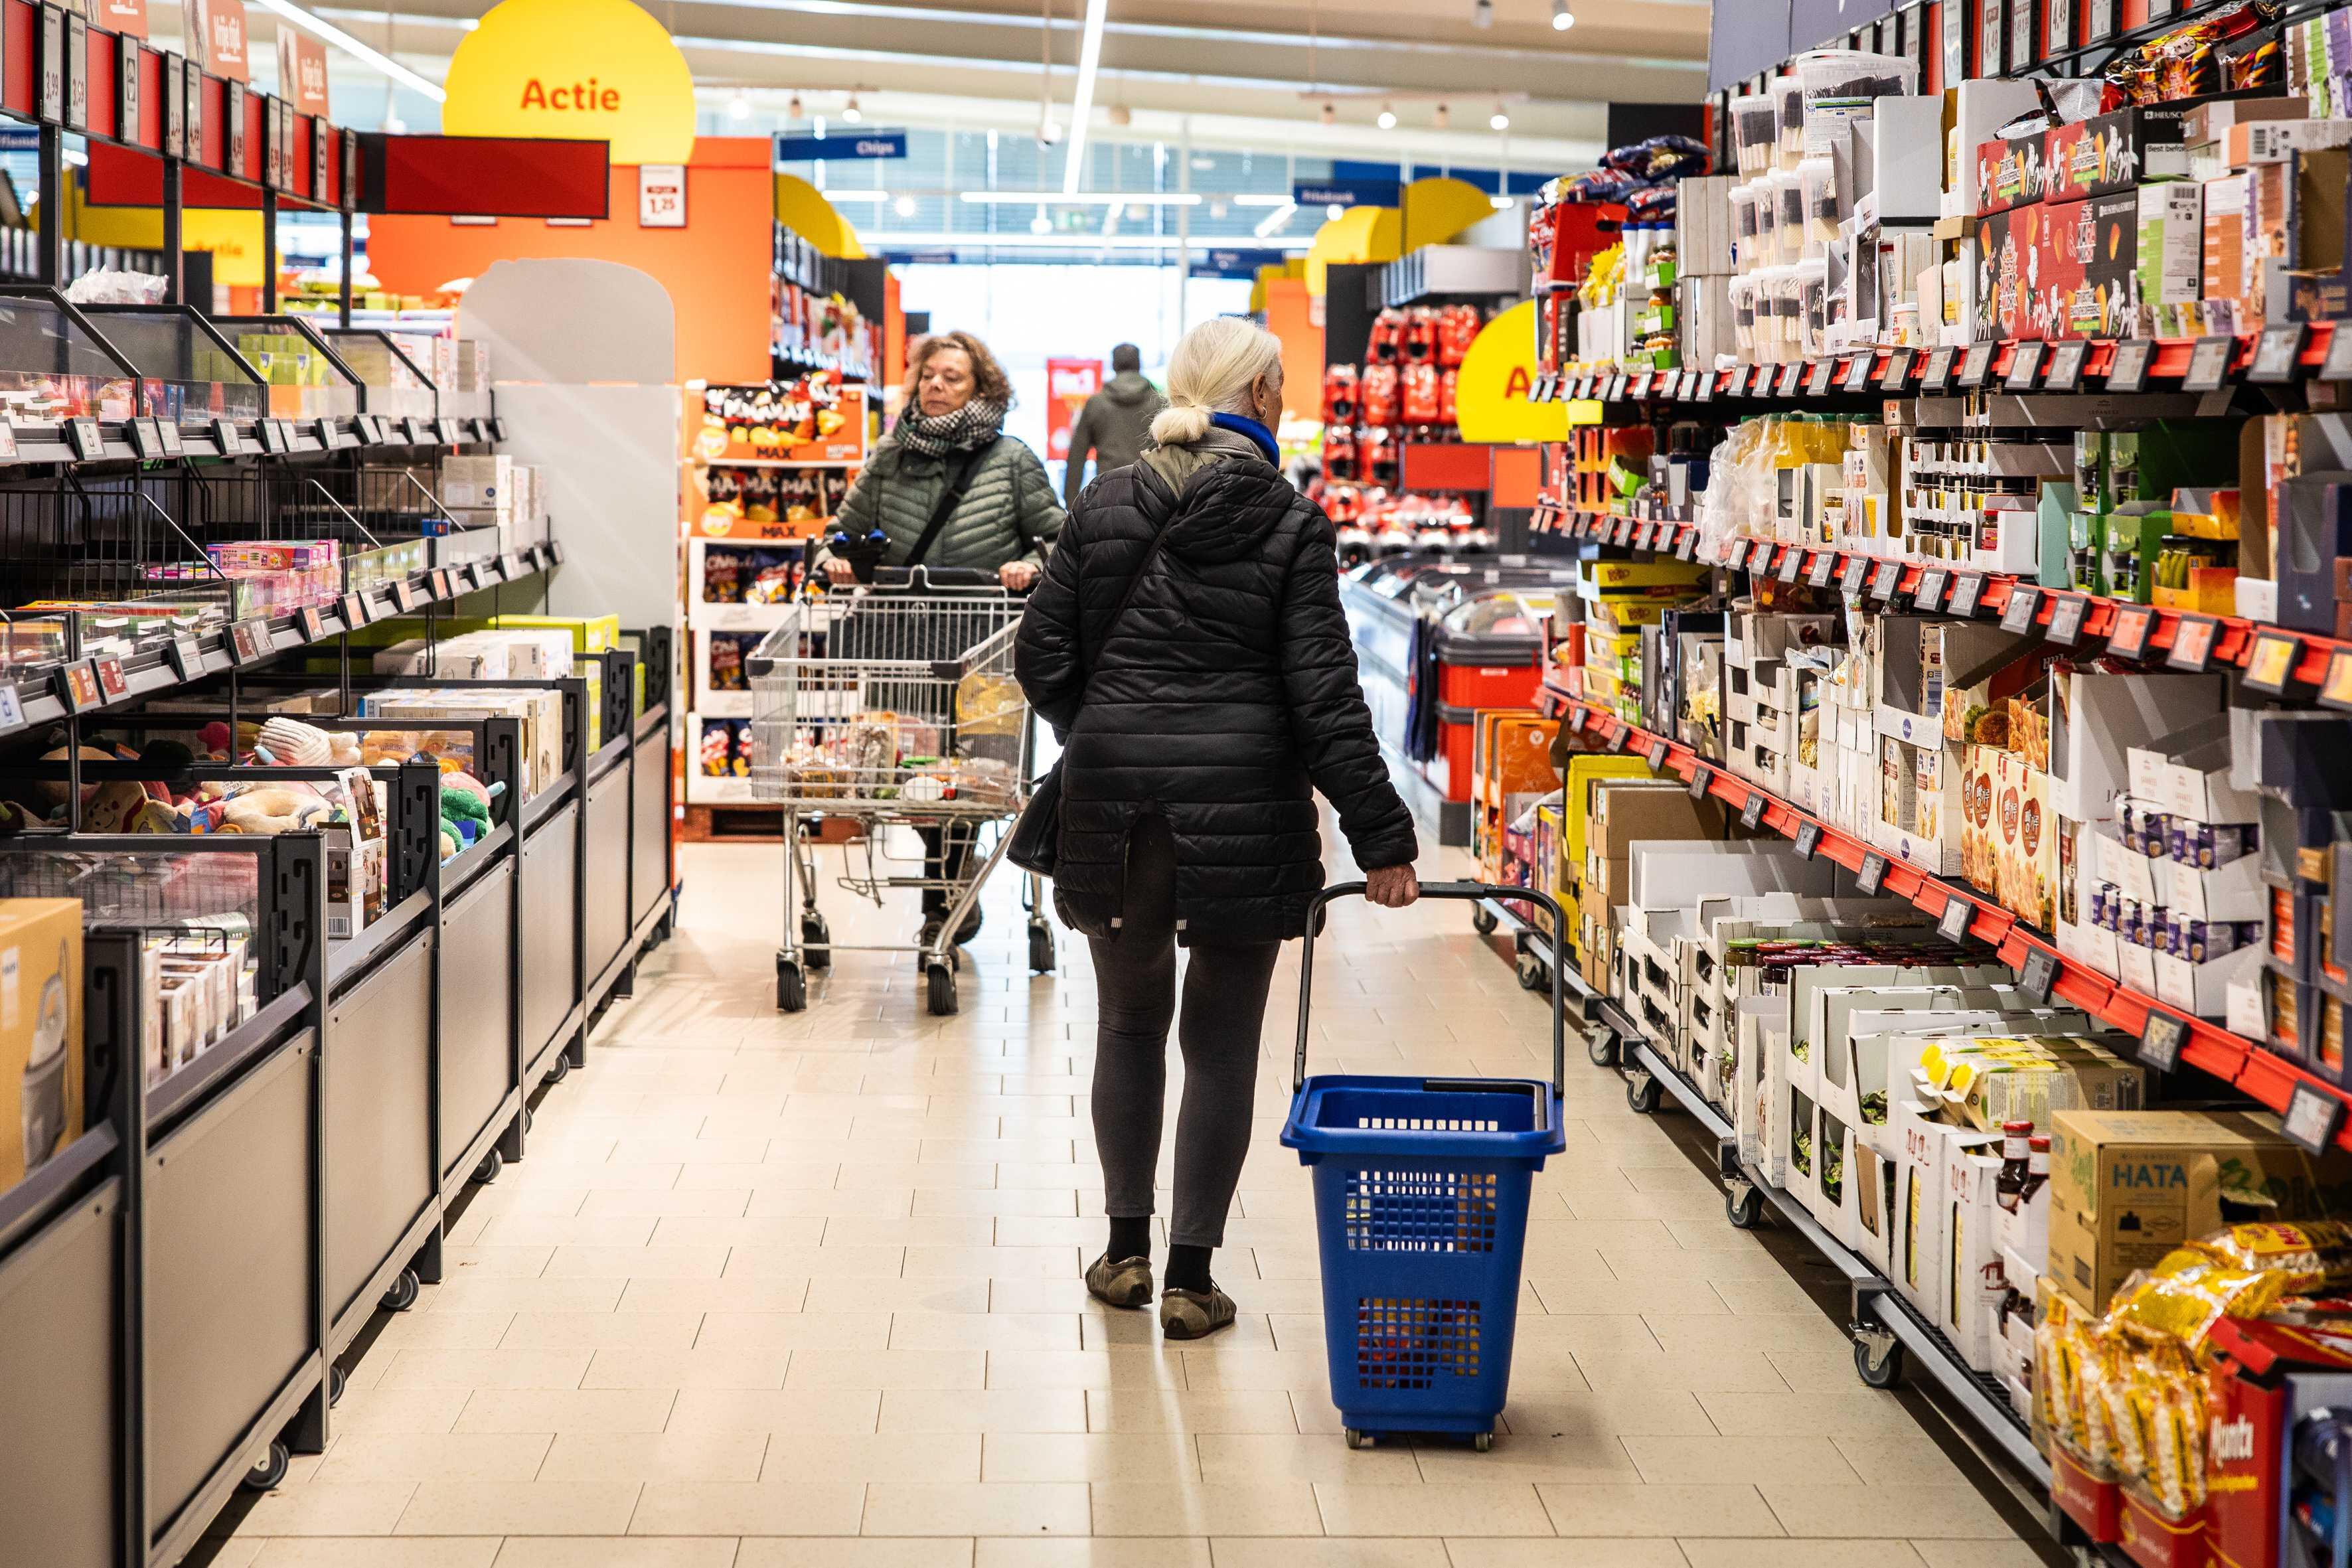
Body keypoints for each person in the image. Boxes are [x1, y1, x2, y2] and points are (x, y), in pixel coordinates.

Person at [1014, 316, 1421, 1340]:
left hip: (1117, 804)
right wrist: (1382, 836)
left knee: (1126, 1022)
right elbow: (1323, 695)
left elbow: (1040, 658)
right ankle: (1191, 1279)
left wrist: (1102, 728)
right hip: (1244, 802)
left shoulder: (1103, 502)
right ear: (1257, 392)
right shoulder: (1286, 518)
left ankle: (1121, 1254)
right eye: (1279, 385)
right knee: (1223, 1041)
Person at [824, 331, 1066, 947]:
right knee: (913, 770)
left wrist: (1029, 569)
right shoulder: (889, 456)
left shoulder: (1011, 459)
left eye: (951, 377)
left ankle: (946, 895)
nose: (935, 385)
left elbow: (1060, 540)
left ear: (982, 387)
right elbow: (843, 531)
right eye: (928, 375)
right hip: (899, 644)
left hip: (981, 644)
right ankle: (948, 891)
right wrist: (836, 559)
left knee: (977, 770)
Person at [1061, 343, 1166, 509]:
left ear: (1114, 365)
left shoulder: (1096, 403)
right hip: (1151, 493)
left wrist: (1070, 502)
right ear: (1139, 364)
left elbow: (1077, 454)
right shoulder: (1160, 403)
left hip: (1108, 492)